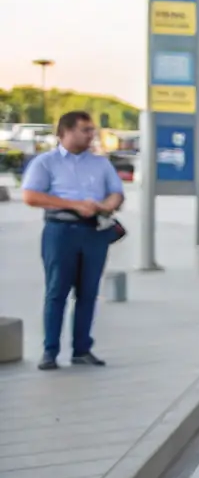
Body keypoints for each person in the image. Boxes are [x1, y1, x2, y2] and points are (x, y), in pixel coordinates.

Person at [20, 110, 125, 371]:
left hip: (94, 232)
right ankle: (50, 351)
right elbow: (31, 196)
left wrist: (104, 206)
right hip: (60, 231)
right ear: (65, 132)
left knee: (88, 293)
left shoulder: (101, 164)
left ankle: (82, 349)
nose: (91, 135)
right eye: (85, 130)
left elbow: (116, 193)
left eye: (92, 130)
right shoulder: (46, 163)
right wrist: (75, 205)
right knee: (57, 292)